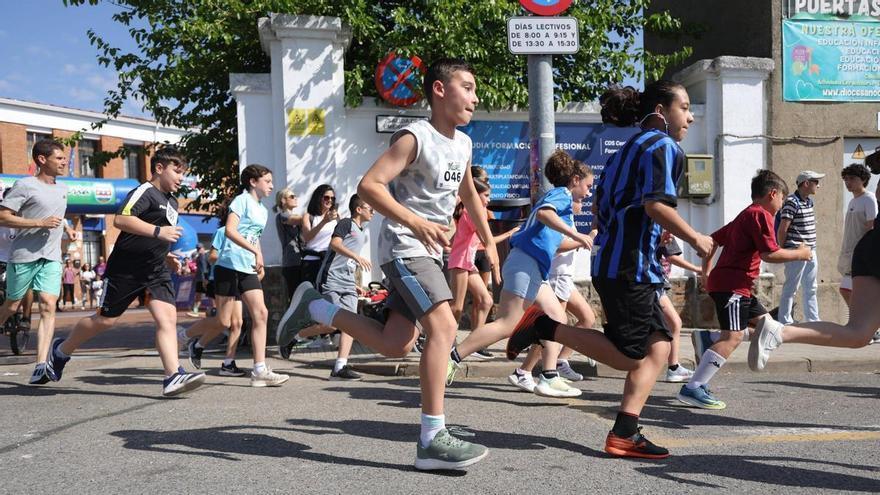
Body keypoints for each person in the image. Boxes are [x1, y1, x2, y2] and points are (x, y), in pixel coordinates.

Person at [278, 58, 499, 470]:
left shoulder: (463, 144)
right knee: (446, 325)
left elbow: (468, 194)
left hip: (428, 251)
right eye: (466, 87)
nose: (474, 97)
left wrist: (489, 241)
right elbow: (369, 185)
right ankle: (432, 439)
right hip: (403, 247)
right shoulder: (414, 137)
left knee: (396, 343)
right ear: (439, 89)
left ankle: (315, 307)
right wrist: (417, 222)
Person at [506, 81, 714, 459]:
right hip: (630, 269)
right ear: (661, 110)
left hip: (618, 263)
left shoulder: (622, 153)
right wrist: (695, 237)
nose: (691, 115)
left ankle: (624, 433)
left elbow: (604, 206)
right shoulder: (664, 146)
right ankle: (545, 327)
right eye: (684, 107)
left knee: (658, 347)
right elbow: (656, 205)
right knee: (633, 355)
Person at [45, 146, 206, 396]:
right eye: (177, 171)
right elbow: (121, 219)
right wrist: (158, 232)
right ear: (160, 168)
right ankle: (61, 350)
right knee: (105, 321)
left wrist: (167, 255)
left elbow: (158, 235)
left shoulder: (172, 202)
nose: (180, 178)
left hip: (155, 271)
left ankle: (172, 375)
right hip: (126, 270)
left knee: (167, 319)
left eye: (183, 173)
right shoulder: (144, 191)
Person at [447, 151, 594, 401]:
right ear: (575, 180)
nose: (589, 193)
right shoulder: (562, 195)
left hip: (532, 266)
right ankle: (451, 358)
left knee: (556, 317)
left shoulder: (559, 197)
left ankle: (548, 376)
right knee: (507, 324)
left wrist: (581, 238)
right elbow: (545, 215)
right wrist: (579, 236)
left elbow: (550, 237)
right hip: (525, 264)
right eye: (588, 186)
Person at [676, 170, 811, 410]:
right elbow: (769, 253)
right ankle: (693, 387)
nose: (781, 206)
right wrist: (801, 254)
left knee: (768, 326)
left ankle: (708, 339)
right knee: (734, 336)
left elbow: (711, 241)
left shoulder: (746, 215)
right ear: (773, 194)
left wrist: (706, 273)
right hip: (733, 285)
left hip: (735, 285)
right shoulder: (760, 215)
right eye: (782, 199)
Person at [749, 180, 880, 371]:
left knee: (858, 334)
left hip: (870, 244)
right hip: (868, 245)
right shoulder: (793, 202)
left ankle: (780, 332)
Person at [0, 139, 75, 384]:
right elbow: (3, 216)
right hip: (23, 256)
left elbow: (56, 215)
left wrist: (66, 228)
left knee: (47, 305)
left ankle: (41, 365)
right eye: (60, 158)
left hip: (51, 257)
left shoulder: (62, 189)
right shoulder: (25, 185)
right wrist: (38, 223)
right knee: (11, 306)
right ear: (42, 159)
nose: (65, 162)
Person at [208, 164, 289, 387]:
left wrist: (259, 257)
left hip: (248, 266)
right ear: (253, 182)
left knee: (261, 313)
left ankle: (259, 370)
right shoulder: (241, 200)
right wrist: (253, 251)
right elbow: (230, 230)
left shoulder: (262, 210)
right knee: (225, 321)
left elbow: (255, 237)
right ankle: (192, 342)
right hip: (231, 263)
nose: (272, 185)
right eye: (268, 181)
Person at [507, 197, 597, 393]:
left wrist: (585, 237)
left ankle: (557, 361)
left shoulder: (567, 218)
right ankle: (531, 370)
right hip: (556, 276)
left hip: (565, 277)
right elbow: (556, 247)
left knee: (586, 318)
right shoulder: (560, 215)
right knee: (552, 327)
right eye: (581, 198)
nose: (585, 201)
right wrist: (581, 240)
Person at [308, 193, 374, 380]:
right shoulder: (346, 223)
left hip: (347, 282)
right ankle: (296, 336)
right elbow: (335, 244)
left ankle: (339, 367)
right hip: (331, 278)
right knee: (329, 324)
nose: (373, 212)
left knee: (350, 324)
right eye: (370, 208)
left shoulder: (362, 232)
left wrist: (355, 284)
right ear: (358, 209)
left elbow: (348, 263)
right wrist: (356, 256)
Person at [180, 223, 246, 377]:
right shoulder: (222, 232)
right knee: (223, 322)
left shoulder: (248, 234)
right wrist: (231, 255)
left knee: (237, 323)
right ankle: (185, 335)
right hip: (224, 277)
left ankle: (228, 364)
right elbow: (212, 257)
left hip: (240, 277)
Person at [776, 170, 824, 324]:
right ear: (806, 183)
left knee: (811, 287)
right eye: (816, 182)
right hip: (795, 252)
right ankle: (785, 320)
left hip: (811, 251)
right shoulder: (792, 201)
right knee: (791, 287)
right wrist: (782, 250)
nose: (819, 185)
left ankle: (813, 320)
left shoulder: (809, 201)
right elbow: (783, 228)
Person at [656, 231, 699, 382]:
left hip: (659, 285)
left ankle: (673, 367)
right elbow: (671, 257)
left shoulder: (666, 231)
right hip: (651, 284)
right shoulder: (651, 227)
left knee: (673, 323)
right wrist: (697, 269)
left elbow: (671, 254)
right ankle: (671, 367)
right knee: (673, 323)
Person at [836, 165, 876, 325]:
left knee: (852, 291)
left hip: (862, 255)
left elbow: (871, 226)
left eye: (852, 178)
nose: (848, 182)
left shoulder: (869, 198)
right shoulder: (853, 200)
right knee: (847, 290)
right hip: (850, 254)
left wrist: (865, 252)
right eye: (846, 179)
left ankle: (865, 325)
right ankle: (862, 323)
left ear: (863, 180)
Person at [274, 187, 303, 301]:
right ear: (283, 200)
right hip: (291, 263)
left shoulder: (297, 216)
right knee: (295, 297)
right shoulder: (282, 216)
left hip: (301, 260)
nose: (295, 198)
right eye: (292, 196)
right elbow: (296, 220)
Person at [186, 244, 208, 317]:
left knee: (212, 295)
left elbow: (204, 268)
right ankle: (195, 310)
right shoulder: (199, 257)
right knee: (198, 294)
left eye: (200, 248)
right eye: (198, 249)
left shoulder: (206, 256)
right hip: (199, 278)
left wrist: (205, 278)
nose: (199, 250)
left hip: (205, 278)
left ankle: (217, 310)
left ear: (203, 248)